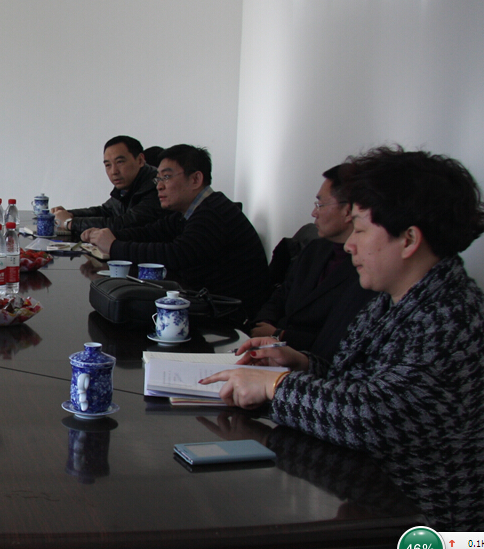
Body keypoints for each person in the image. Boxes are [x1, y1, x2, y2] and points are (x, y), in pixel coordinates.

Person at [204, 146, 484, 456]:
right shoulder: (392, 298)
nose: (350, 245)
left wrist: (275, 385)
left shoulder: (451, 317)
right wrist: (302, 363)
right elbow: (357, 381)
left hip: (408, 486)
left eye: (360, 230)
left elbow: (374, 418)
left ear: (408, 240)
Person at [82, 144, 271, 320]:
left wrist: (114, 246)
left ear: (195, 179)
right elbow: (151, 232)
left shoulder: (213, 212)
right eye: (158, 179)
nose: (159, 186)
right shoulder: (189, 212)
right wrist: (106, 235)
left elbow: (175, 254)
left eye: (166, 177)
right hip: (208, 303)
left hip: (231, 315)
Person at [250, 164, 377, 359]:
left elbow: (337, 341)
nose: (313, 213)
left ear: (348, 211)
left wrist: (279, 335)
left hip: (309, 360)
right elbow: (281, 295)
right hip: (272, 350)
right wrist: (262, 324)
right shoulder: (315, 249)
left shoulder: (368, 270)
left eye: (320, 205)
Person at [50, 136, 167, 234]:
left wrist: (70, 223)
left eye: (120, 162)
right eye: (108, 165)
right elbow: (105, 211)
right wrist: (69, 214)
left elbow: (126, 224)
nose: (114, 171)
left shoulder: (157, 186)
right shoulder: (128, 185)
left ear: (140, 160)